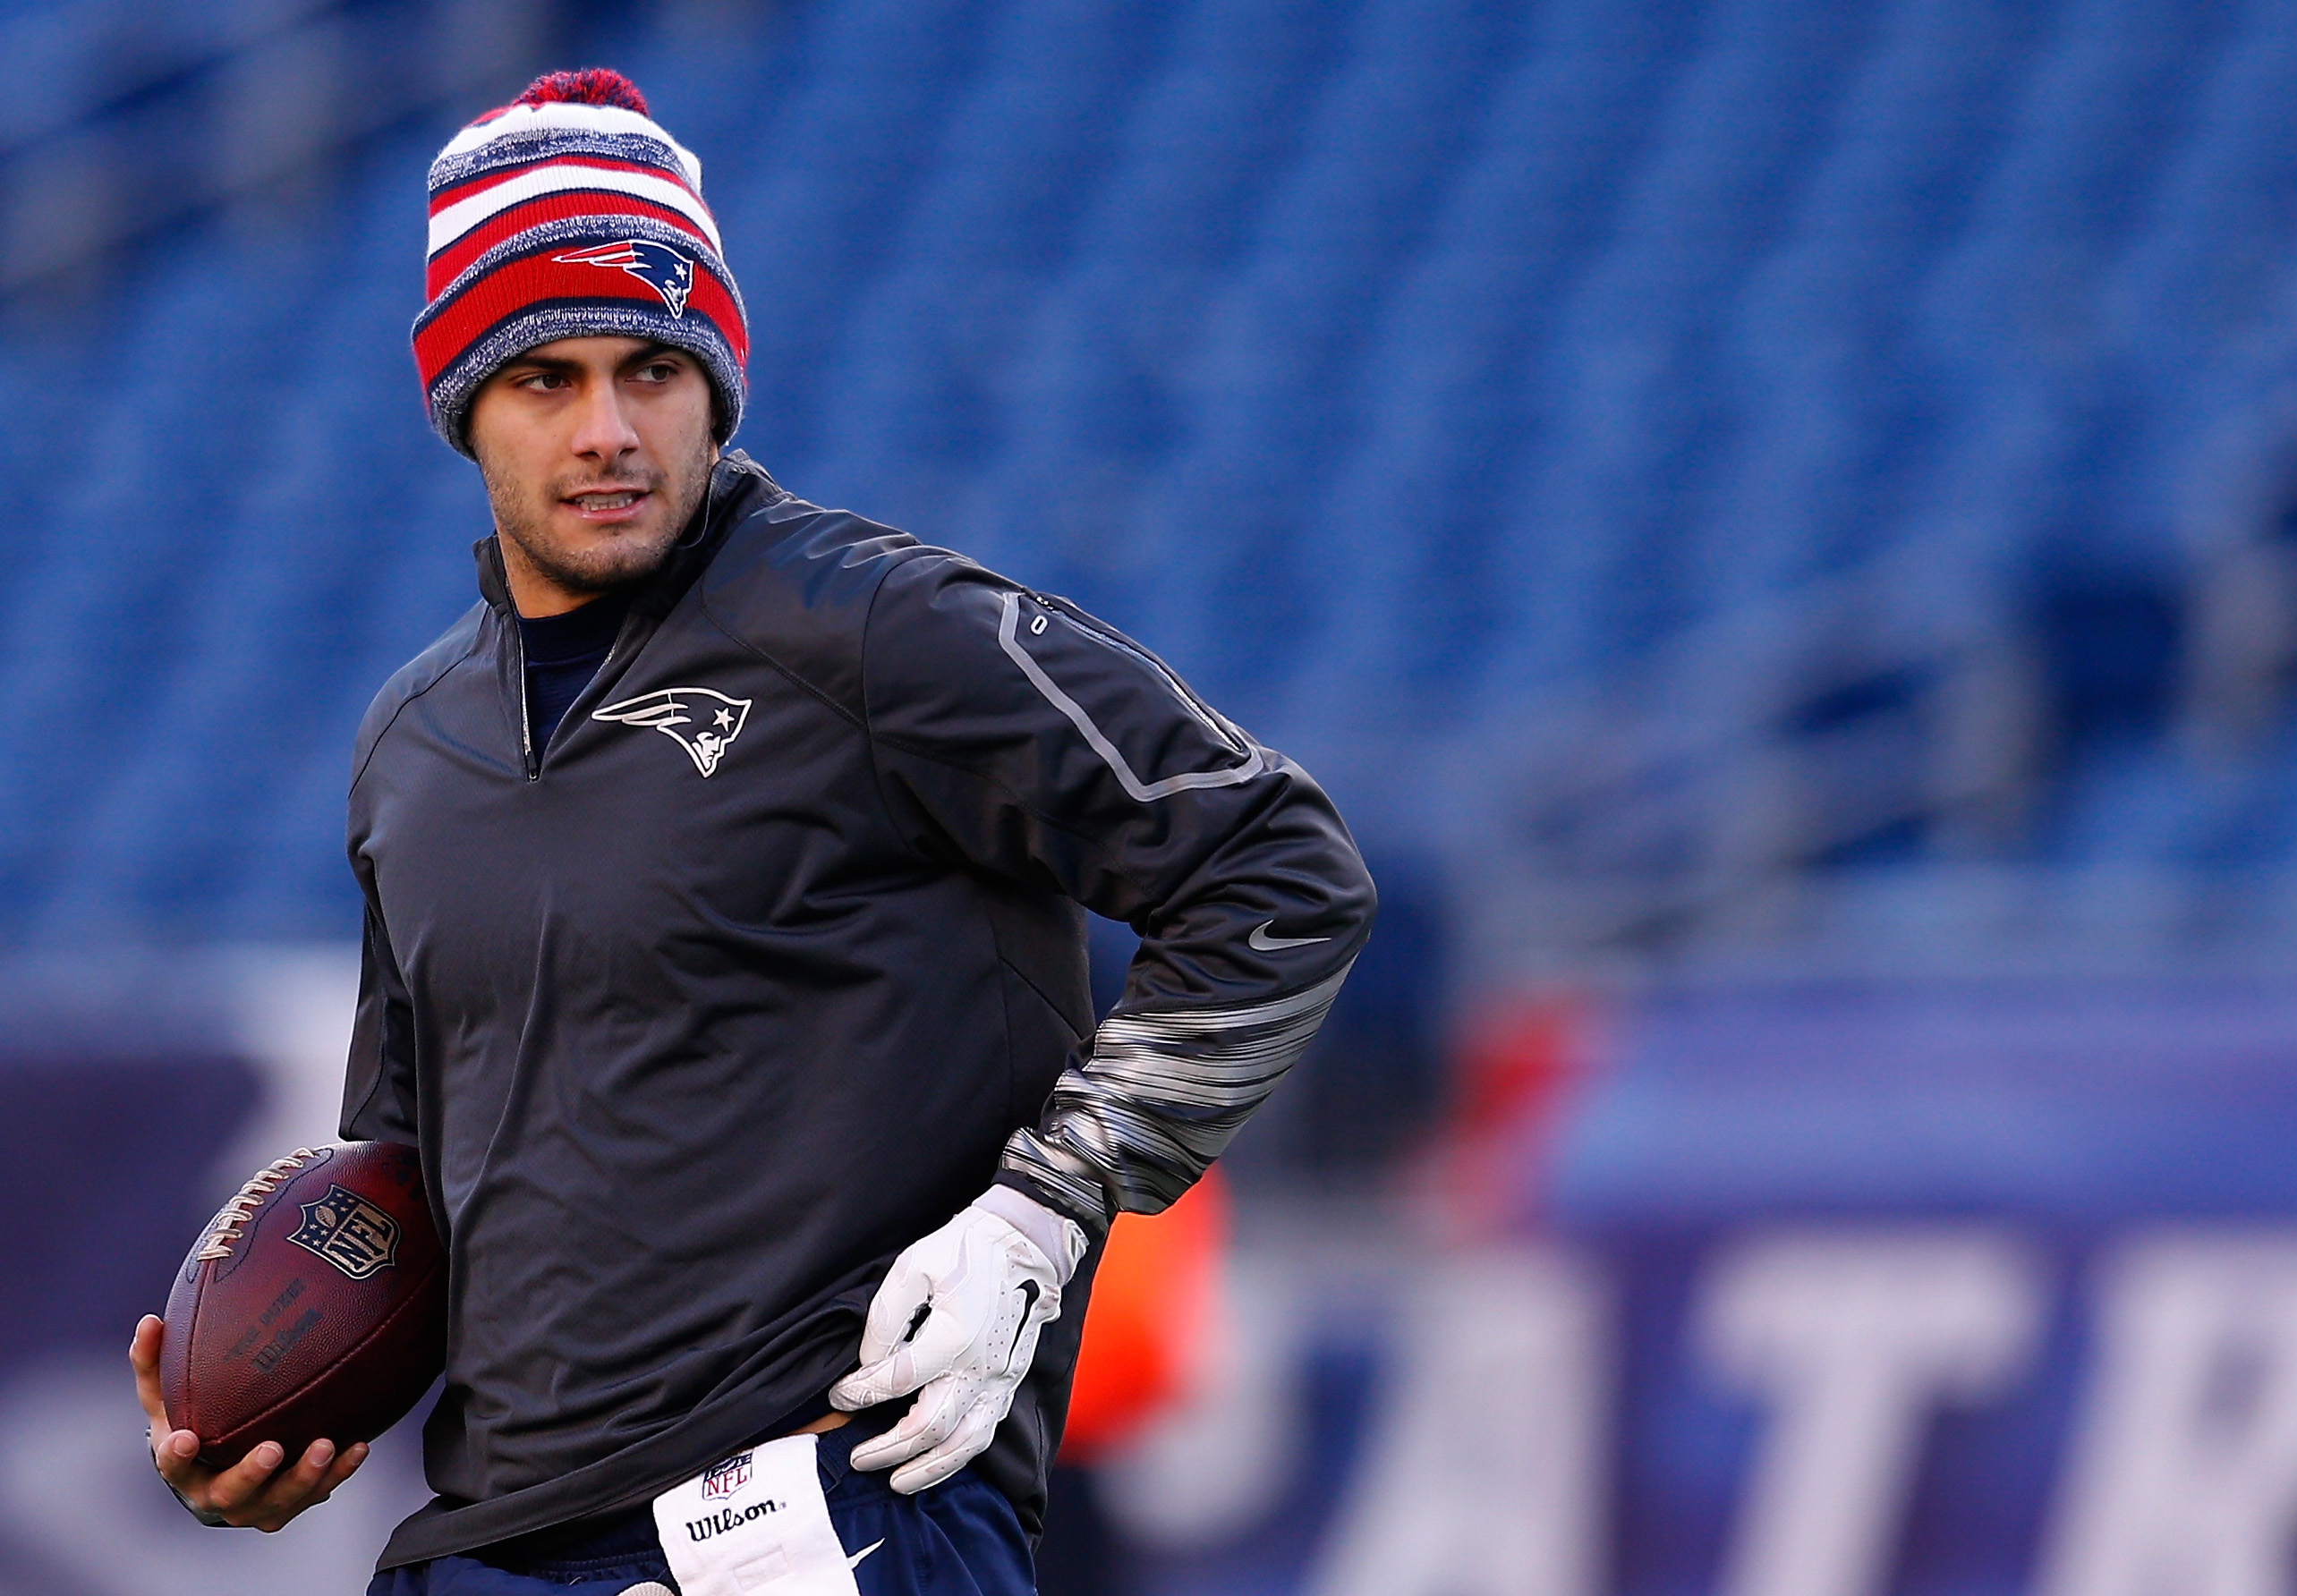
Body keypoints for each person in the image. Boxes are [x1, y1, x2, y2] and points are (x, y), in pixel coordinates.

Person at [130, 68, 1373, 1596]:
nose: (609, 429)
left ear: (718, 378)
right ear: (459, 401)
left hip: (827, 1513)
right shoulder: (410, 744)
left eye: (651, 368)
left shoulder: (877, 630)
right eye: (546, 379)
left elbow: (1277, 863)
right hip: (492, 1545)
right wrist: (271, 1423)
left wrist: (1048, 1205)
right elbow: (416, 1191)